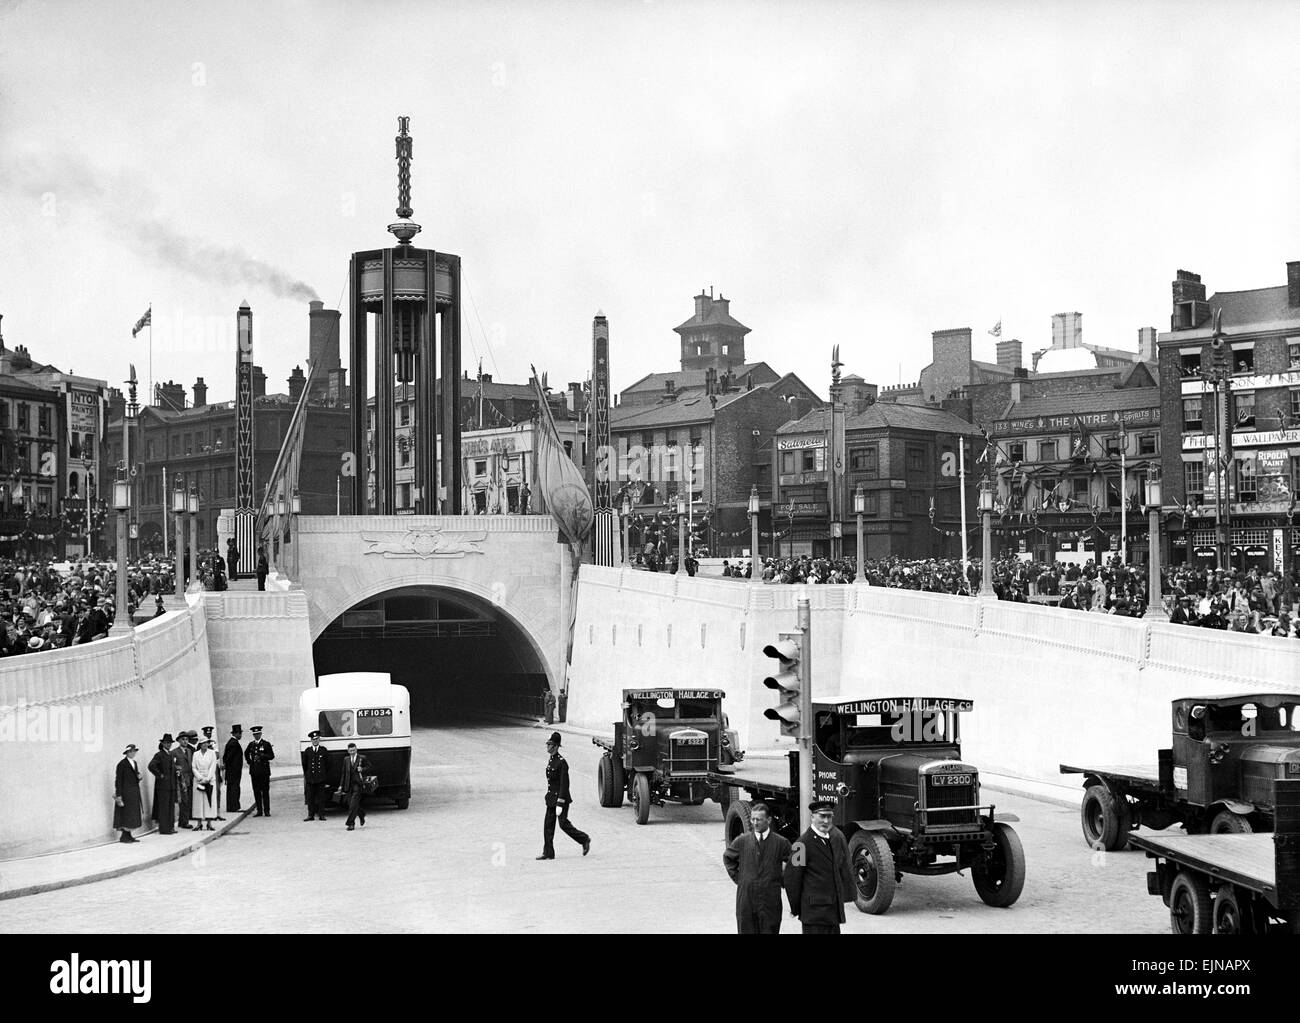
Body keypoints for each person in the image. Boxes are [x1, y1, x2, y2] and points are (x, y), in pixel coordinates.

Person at [783, 799, 855, 934]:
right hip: (814, 916)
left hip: (832, 914)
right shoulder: (802, 844)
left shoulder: (832, 839)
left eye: (829, 816)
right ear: (812, 817)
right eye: (822, 816)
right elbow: (792, 879)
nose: (826, 821)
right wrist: (797, 908)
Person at [723, 801, 792, 933]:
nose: (755, 823)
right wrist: (741, 879)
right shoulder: (741, 841)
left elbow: (795, 865)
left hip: (770, 902)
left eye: (759, 820)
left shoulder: (781, 843)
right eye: (753, 819)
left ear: (769, 820)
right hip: (746, 902)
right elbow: (728, 858)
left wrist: (782, 880)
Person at [538, 731, 590, 860]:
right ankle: (548, 852)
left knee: (563, 824)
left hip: (561, 799)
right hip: (551, 798)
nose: (547, 746)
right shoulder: (551, 760)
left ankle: (584, 839)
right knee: (548, 825)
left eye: (549, 744)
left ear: (555, 746)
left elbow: (564, 785)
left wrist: (560, 803)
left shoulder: (562, 763)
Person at [113, 744, 144, 843]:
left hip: (134, 792)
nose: (133, 753)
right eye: (131, 751)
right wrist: (119, 795)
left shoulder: (134, 763)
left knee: (132, 815)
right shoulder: (122, 764)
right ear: (127, 753)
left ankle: (129, 835)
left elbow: (134, 777)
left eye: (134, 751)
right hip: (126, 792)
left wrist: (138, 777)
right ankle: (124, 836)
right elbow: (118, 780)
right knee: (126, 814)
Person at [338, 742, 371, 831]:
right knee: (351, 804)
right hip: (348, 785)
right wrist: (341, 785)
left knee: (353, 805)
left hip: (358, 784)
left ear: (356, 749)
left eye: (354, 750)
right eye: (350, 750)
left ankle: (350, 823)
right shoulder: (346, 759)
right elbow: (344, 773)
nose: (352, 752)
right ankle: (361, 813)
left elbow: (369, 767)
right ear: (348, 751)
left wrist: (362, 769)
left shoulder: (362, 758)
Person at [147, 734, 176, 835]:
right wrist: (160, 775)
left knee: (170, 807)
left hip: (171, 786)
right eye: (166, 743)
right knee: (163, 807)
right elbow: (151, 766)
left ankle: (170, 827)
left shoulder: (171, 754)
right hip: (162, 787)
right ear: (162, 743)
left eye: (170, 743)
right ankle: (164, 829)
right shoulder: (159, 755)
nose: (168, 745)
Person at [245, 725, 275, 816]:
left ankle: (267, 810)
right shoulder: (251, 744)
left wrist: (262, 756)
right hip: (254, 771)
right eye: (255, 734)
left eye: (258, 734)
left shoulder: (266, 744)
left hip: (264, 771)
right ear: (253, 735)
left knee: (265, 791)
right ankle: (259, 810)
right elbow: (246, 753)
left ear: (260, 734)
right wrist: (249, 762)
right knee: (256, 791)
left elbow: (271, 756)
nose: (256, 736)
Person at [191, 736, 219, 830]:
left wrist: (207, 778)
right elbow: (194, 767)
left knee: (209, 800)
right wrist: (200, 777)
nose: (205, 745)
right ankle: (199, 823)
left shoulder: (212, 754)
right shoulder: (196, 754)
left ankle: (209, 823)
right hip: (198, 780)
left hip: (209, 780)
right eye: (203, 743)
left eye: (206, 743)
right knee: (198, 802)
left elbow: (213, 766)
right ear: (200, 744)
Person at [301, 730, 330, 822]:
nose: (315, 741)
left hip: (320, 778)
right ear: (311, 740)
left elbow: (328, 764)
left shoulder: (323, 750)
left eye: (317, 739)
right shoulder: (308, 751)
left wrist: (323, 774)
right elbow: (304, 765)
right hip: (311, 779)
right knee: (310, 798)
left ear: (319, 739)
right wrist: (308, 775)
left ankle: (322, 815)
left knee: (321, 797)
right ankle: (310, 815)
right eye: (313, 739)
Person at [171, 730, 196, 829]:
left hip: (189, 779)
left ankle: (183, 821)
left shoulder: (189, 751)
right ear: (179, 741)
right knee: (183, 801)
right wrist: (177, 770)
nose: (185, 741)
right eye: (183, 739)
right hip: (180, 780)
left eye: (186, 739)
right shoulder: (174, 752)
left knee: (187, 800)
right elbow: (172, 765)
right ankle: (184, 822)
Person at [223, 724, 244, 813]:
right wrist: (231, 769)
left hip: (232, 771)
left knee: (232, 788)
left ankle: (232, 806)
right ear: (236, 734)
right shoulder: (233, 744)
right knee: (234, 789)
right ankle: (234, 807)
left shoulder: (232, 742)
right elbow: (228, 758)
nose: (241, 735)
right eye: (240, 733)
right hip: (233, 771)